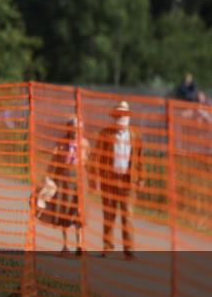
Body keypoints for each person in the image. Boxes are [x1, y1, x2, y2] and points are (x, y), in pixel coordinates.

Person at [90, 100, 144, 259]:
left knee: (127, 215)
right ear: (114, 117)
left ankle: (129, 250)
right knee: (109, 214)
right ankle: (107, 247)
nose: (121, 117)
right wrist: (95, 178)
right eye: (119, 115)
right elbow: (96, 157)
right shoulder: (105, 134)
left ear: (128, 116)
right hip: (109, 179)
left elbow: (140, 159)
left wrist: (141, 178)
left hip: (128, 180)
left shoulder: (135, 135)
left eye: (124, 114)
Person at [36, 117, 89, 255]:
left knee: (79, 211)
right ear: (68, 129)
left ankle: (80, 245)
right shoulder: (61, 143)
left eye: (79, 129)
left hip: (79, 179)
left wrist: (92, 180)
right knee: (63, 211)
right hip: (63, 178)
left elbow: (88, 162)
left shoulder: (84, 143)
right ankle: (65, 245)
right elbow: (53, 161)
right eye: (73, 128)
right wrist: (48, 177)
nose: (76, 131)